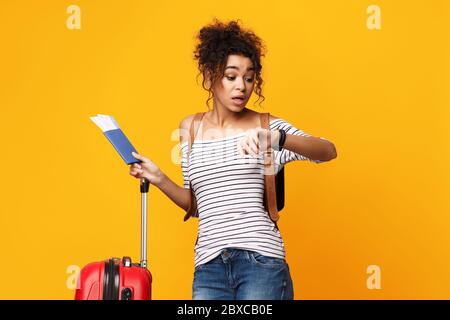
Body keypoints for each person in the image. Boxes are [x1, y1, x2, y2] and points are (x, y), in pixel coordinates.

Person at [129, 19, 337, 300]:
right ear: (210, 77)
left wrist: (278, 138)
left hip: (260, 262)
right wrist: (159, 178)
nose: (242, 86)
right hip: (208, 266)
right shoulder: (189, 128)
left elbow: (327, 151)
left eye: (249, 78)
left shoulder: (265, 127)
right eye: (232, 76)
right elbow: (196, 205)